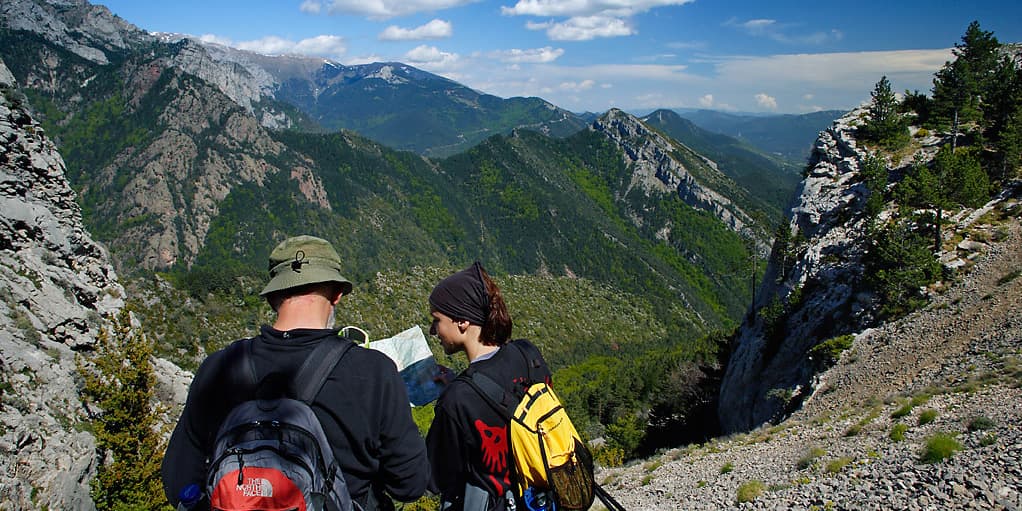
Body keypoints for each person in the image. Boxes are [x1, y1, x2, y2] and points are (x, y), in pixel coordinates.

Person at [162, 235, 430, 510]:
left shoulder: (218, 368)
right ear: (337, 294)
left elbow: (178, 481)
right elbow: (409, 485)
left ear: (272, 298)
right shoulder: (375, 372)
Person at [425, 262, 553, 511]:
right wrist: (462, 385)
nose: (433, 330)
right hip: (543, 497)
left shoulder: (457, 400)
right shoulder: (527, 354)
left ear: (462, 322)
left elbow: (432, 477)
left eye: (437, 320)